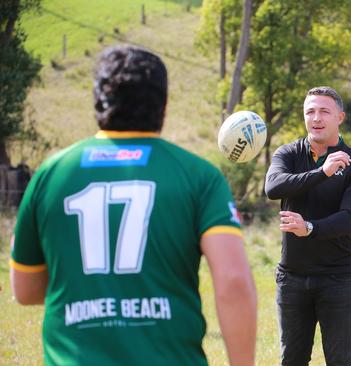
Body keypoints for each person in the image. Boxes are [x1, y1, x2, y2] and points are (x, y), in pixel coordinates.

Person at [10, 45, 257, 366]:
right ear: (163, 105)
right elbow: (234, 282)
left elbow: (26, 291)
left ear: (98, 100)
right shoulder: (199, 176)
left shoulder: (51, 174)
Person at [265, 86, 351, 365]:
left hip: (337, 279)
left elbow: (349, 219)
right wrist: (322, 173)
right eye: (310, 111)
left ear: (340, 117)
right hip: (292, 278)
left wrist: (309, 228)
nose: (316, 118)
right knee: (292, 359)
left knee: (339, 360)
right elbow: (273, 187)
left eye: (324, 111)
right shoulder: (289, 153)